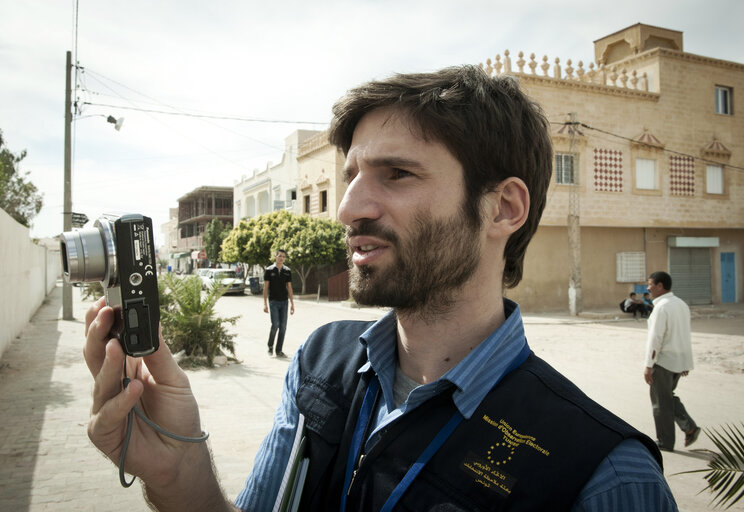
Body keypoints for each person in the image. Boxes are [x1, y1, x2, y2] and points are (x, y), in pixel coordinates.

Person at [83, 66, 677, 511]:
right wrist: (175, 466)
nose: (347, 209)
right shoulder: (320, 363)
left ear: (503, 208)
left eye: (396, 174)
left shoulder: (604, 474)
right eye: (351, 178)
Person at [644, 271, 700, 452]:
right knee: (667, 397)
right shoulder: (681, 304)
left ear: (660, 286)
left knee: (661, 403)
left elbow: (655, 339)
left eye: (650, 284)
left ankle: (665, 442)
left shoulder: (662, 308)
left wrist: (648, 365)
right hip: (678, 361)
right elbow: (685, 335)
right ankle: (689, 426)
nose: (648, 288)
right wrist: (685, 362)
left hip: (664, 362)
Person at [263, 249, 295, 357]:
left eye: (283, 256)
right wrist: (265, 304)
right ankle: (270, 345)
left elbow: (289, 287)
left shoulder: (287, 271)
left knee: (283, 327)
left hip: (284, 302)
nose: (281, 258)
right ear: (275, 257)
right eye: (280, 256)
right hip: (273, 302)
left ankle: (279, 350)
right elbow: (266, 287)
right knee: (275, 324)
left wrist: (292, 303)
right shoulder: (269, 270)